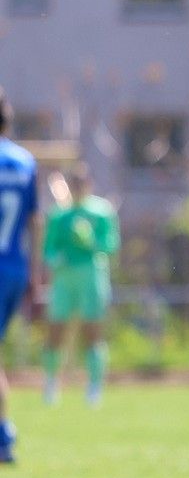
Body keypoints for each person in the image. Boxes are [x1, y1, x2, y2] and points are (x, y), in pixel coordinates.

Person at [41, 165, 119, 408]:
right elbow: (48, 249)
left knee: (92, 332)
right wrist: (56, 258)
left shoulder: (101, 212)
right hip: (64, 277)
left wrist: (91, 242)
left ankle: (95, 385)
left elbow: (110, 245)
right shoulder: (59, 215)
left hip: (91, 275)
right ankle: (52, 382)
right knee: (56, 331)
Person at [0, 89, 42, 465]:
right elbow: (34, 221)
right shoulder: (24, 161)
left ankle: (2, 436)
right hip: (15, 266)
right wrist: (36, 272)